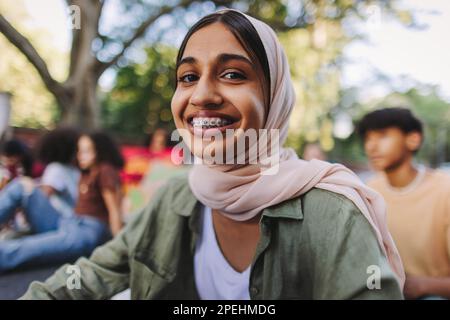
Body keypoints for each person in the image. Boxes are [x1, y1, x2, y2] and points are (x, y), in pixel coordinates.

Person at [22, 9, 403, 300]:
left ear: (275, 97)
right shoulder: (175, 198)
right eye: (188, 77)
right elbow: (87, 277)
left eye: (234, 74)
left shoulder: (332, 213)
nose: (202, 96)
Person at [358, 107, 450, 299]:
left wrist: (424, 285)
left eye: (382, 135)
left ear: (413, 139)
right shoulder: (369, 191)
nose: (371, 146)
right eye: (367, 138)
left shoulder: (444, 190)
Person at [0, 131, 124, 273]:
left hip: (86, 232)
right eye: (79, 151)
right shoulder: (86, 172)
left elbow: (115, 211)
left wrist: (118, 249)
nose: (80, 156)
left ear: (101, 151)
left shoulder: (105, 171)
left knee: (25, 248)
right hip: (68, 222)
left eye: (86, 151)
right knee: (21, 186)